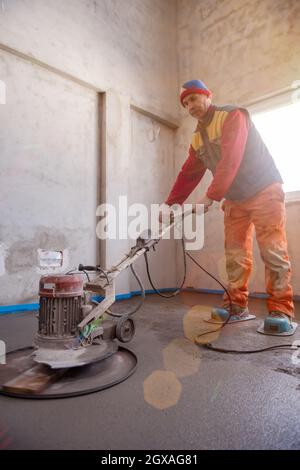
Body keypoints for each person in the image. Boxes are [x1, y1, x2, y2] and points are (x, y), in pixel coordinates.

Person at [163, 79, 295, 331]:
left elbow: (231, 158)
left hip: (264, 189)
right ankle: (236, 306)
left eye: (194, 98)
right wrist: (170, 203)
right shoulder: (197, 138)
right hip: (235, 198)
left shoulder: (232, 115)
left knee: (273, 251)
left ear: (208, 95)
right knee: (235, 255)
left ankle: (281, 311)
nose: (190, 106)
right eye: (185, 103)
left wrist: (211, 195)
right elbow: (189, 173)